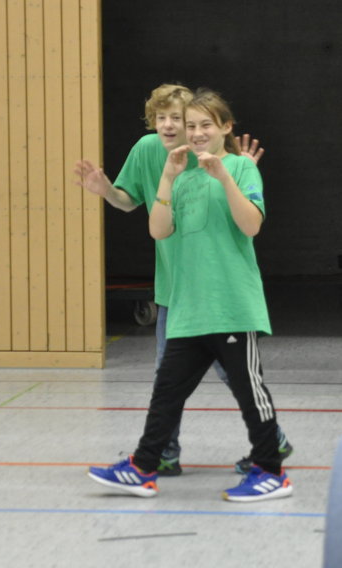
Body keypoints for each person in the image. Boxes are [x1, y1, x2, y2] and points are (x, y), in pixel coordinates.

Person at [74, 84, 291, 477]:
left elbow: (247, 216)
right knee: (168, 382)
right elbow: (144, 215)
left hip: (223, 294)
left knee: (239, 379)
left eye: (181, 118)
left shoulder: (219, 162)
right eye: (164, 118)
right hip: (179, 292)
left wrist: (236, 171)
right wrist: (110, 190)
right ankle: (157, 458)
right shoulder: (159, 159)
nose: (172, 126)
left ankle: (269, 452)